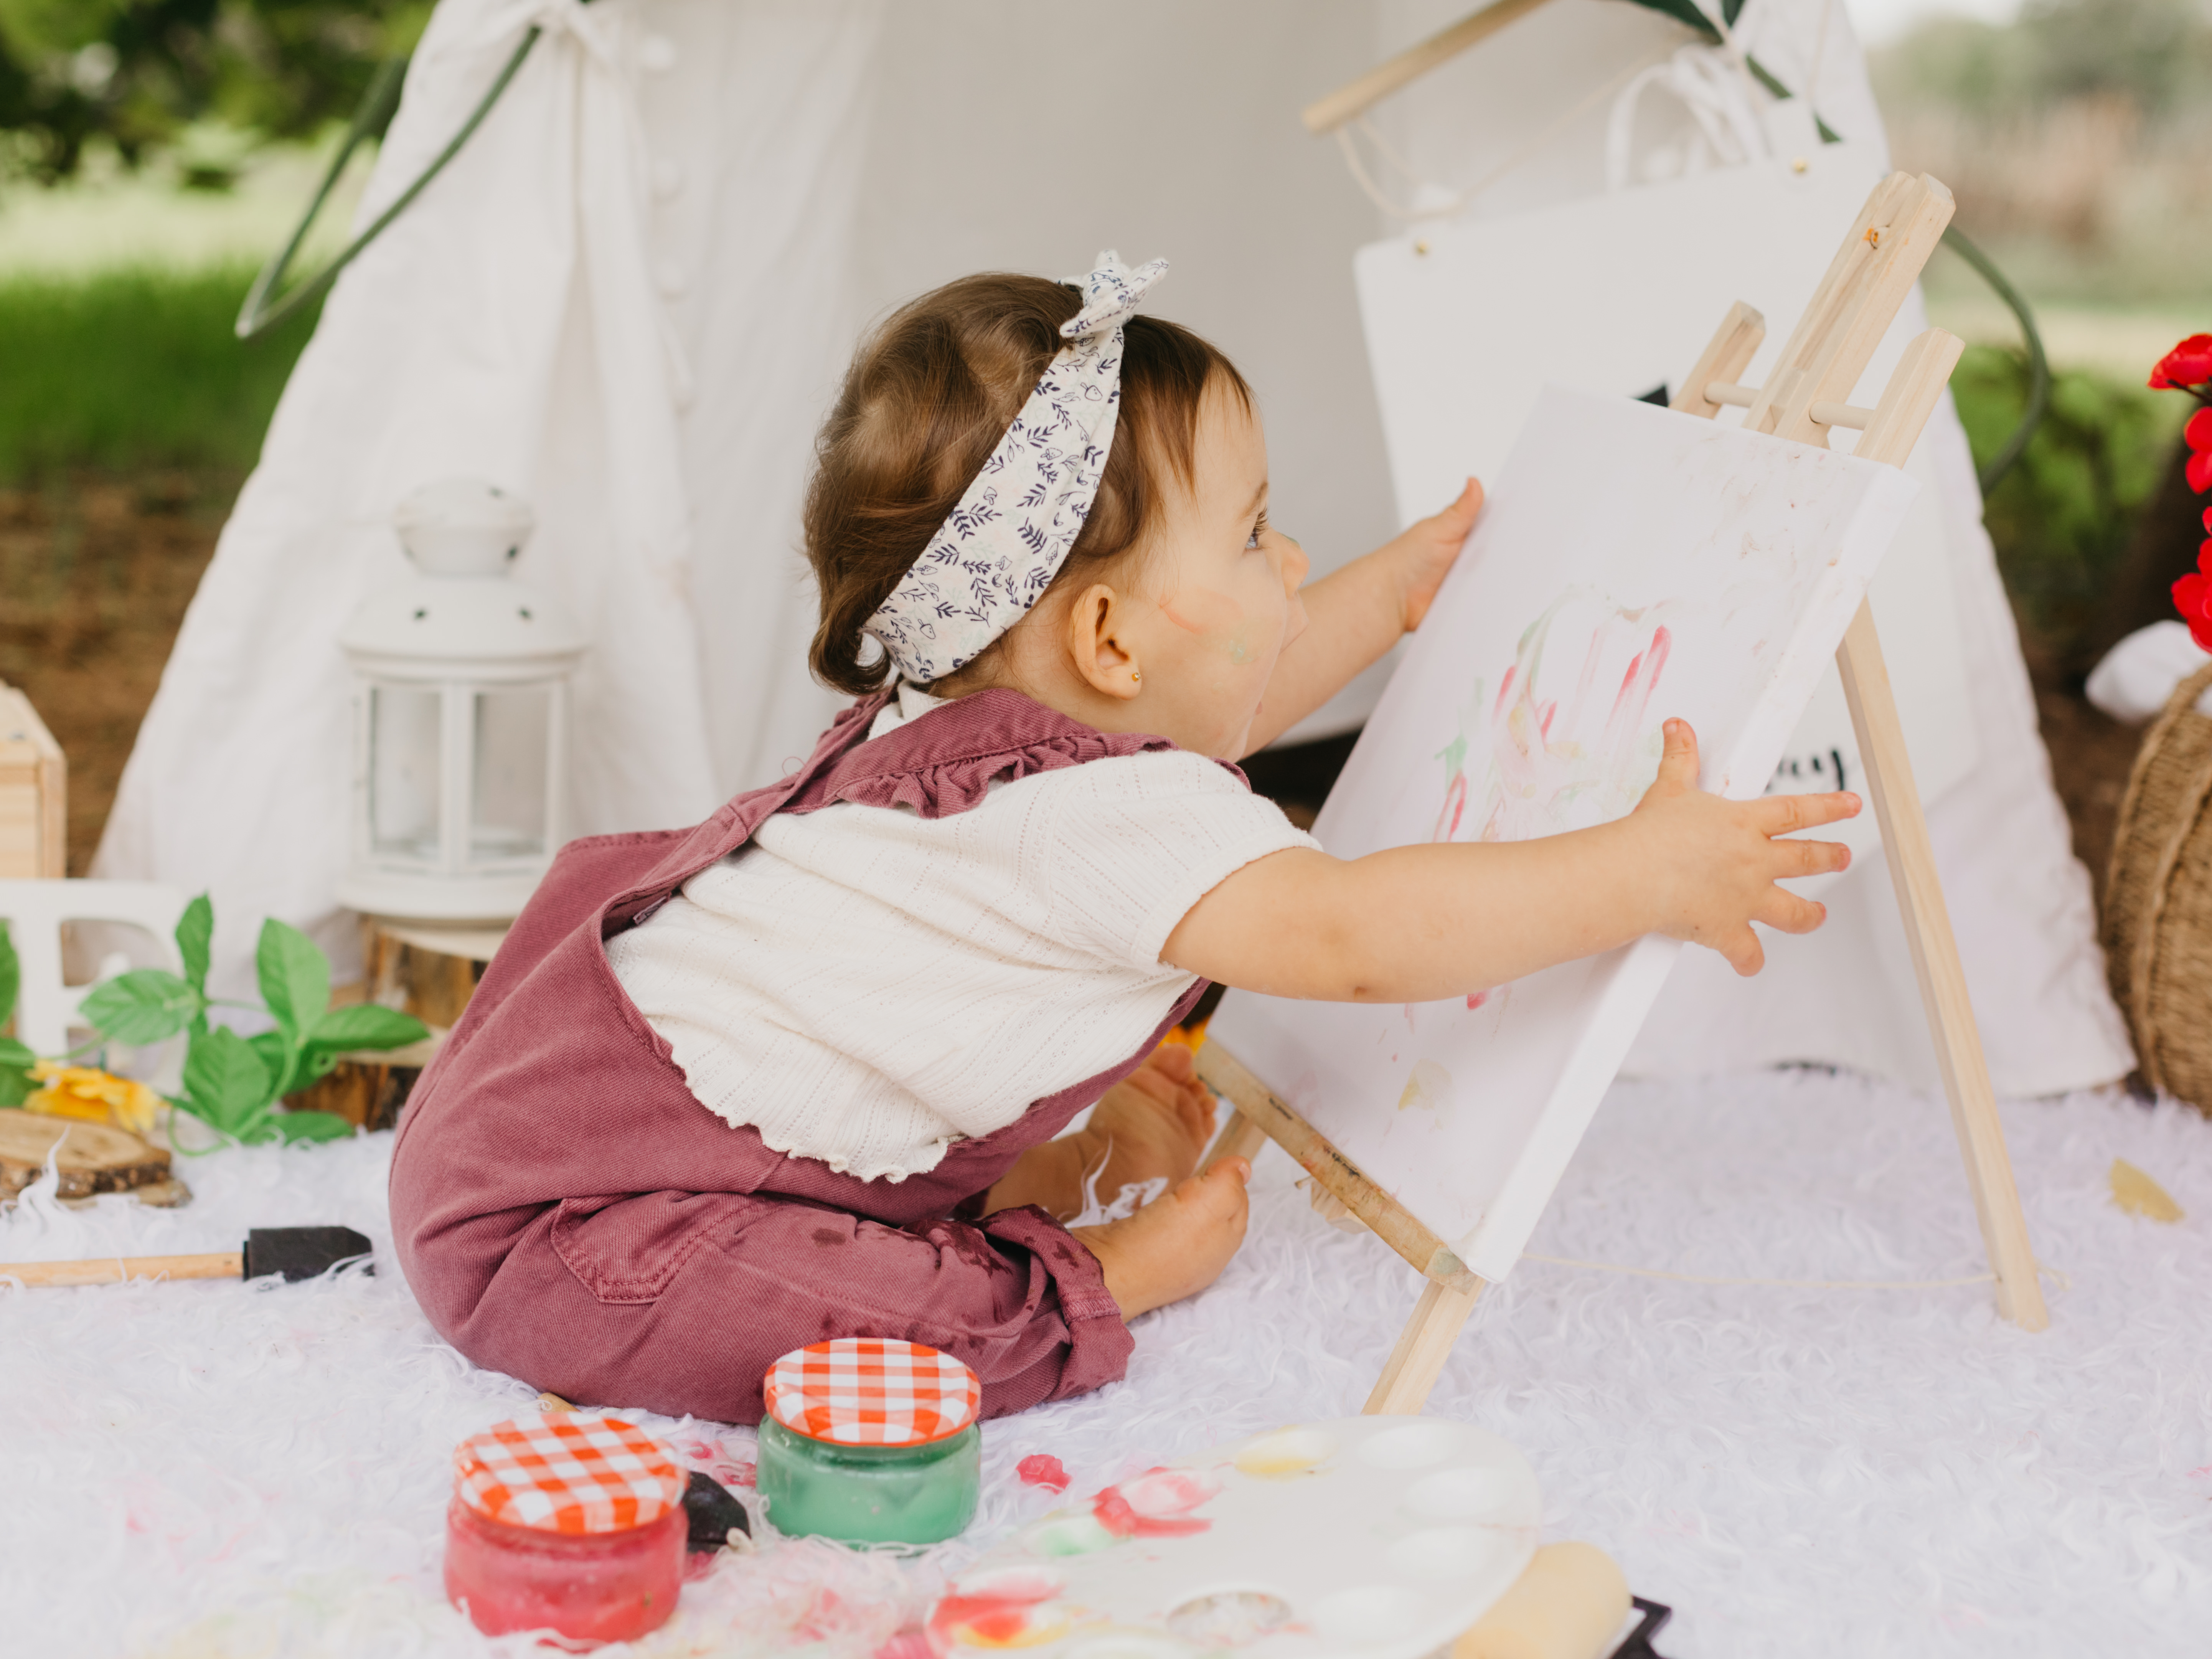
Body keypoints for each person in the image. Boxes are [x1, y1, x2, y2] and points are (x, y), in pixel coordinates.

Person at [388, 255, 1856, 1425]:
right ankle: (1091, 1275)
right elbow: (1351, 936)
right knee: (869, 1332)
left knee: (842, 1219)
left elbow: (1224, 698)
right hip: (566, 1230)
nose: (1293, 562)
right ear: (1104, 639)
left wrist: (1397, 593)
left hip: (549, 1115)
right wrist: (1645, 870)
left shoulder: (992, 730)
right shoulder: (1094, 819)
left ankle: (1000, 1197)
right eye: (1257, 536)